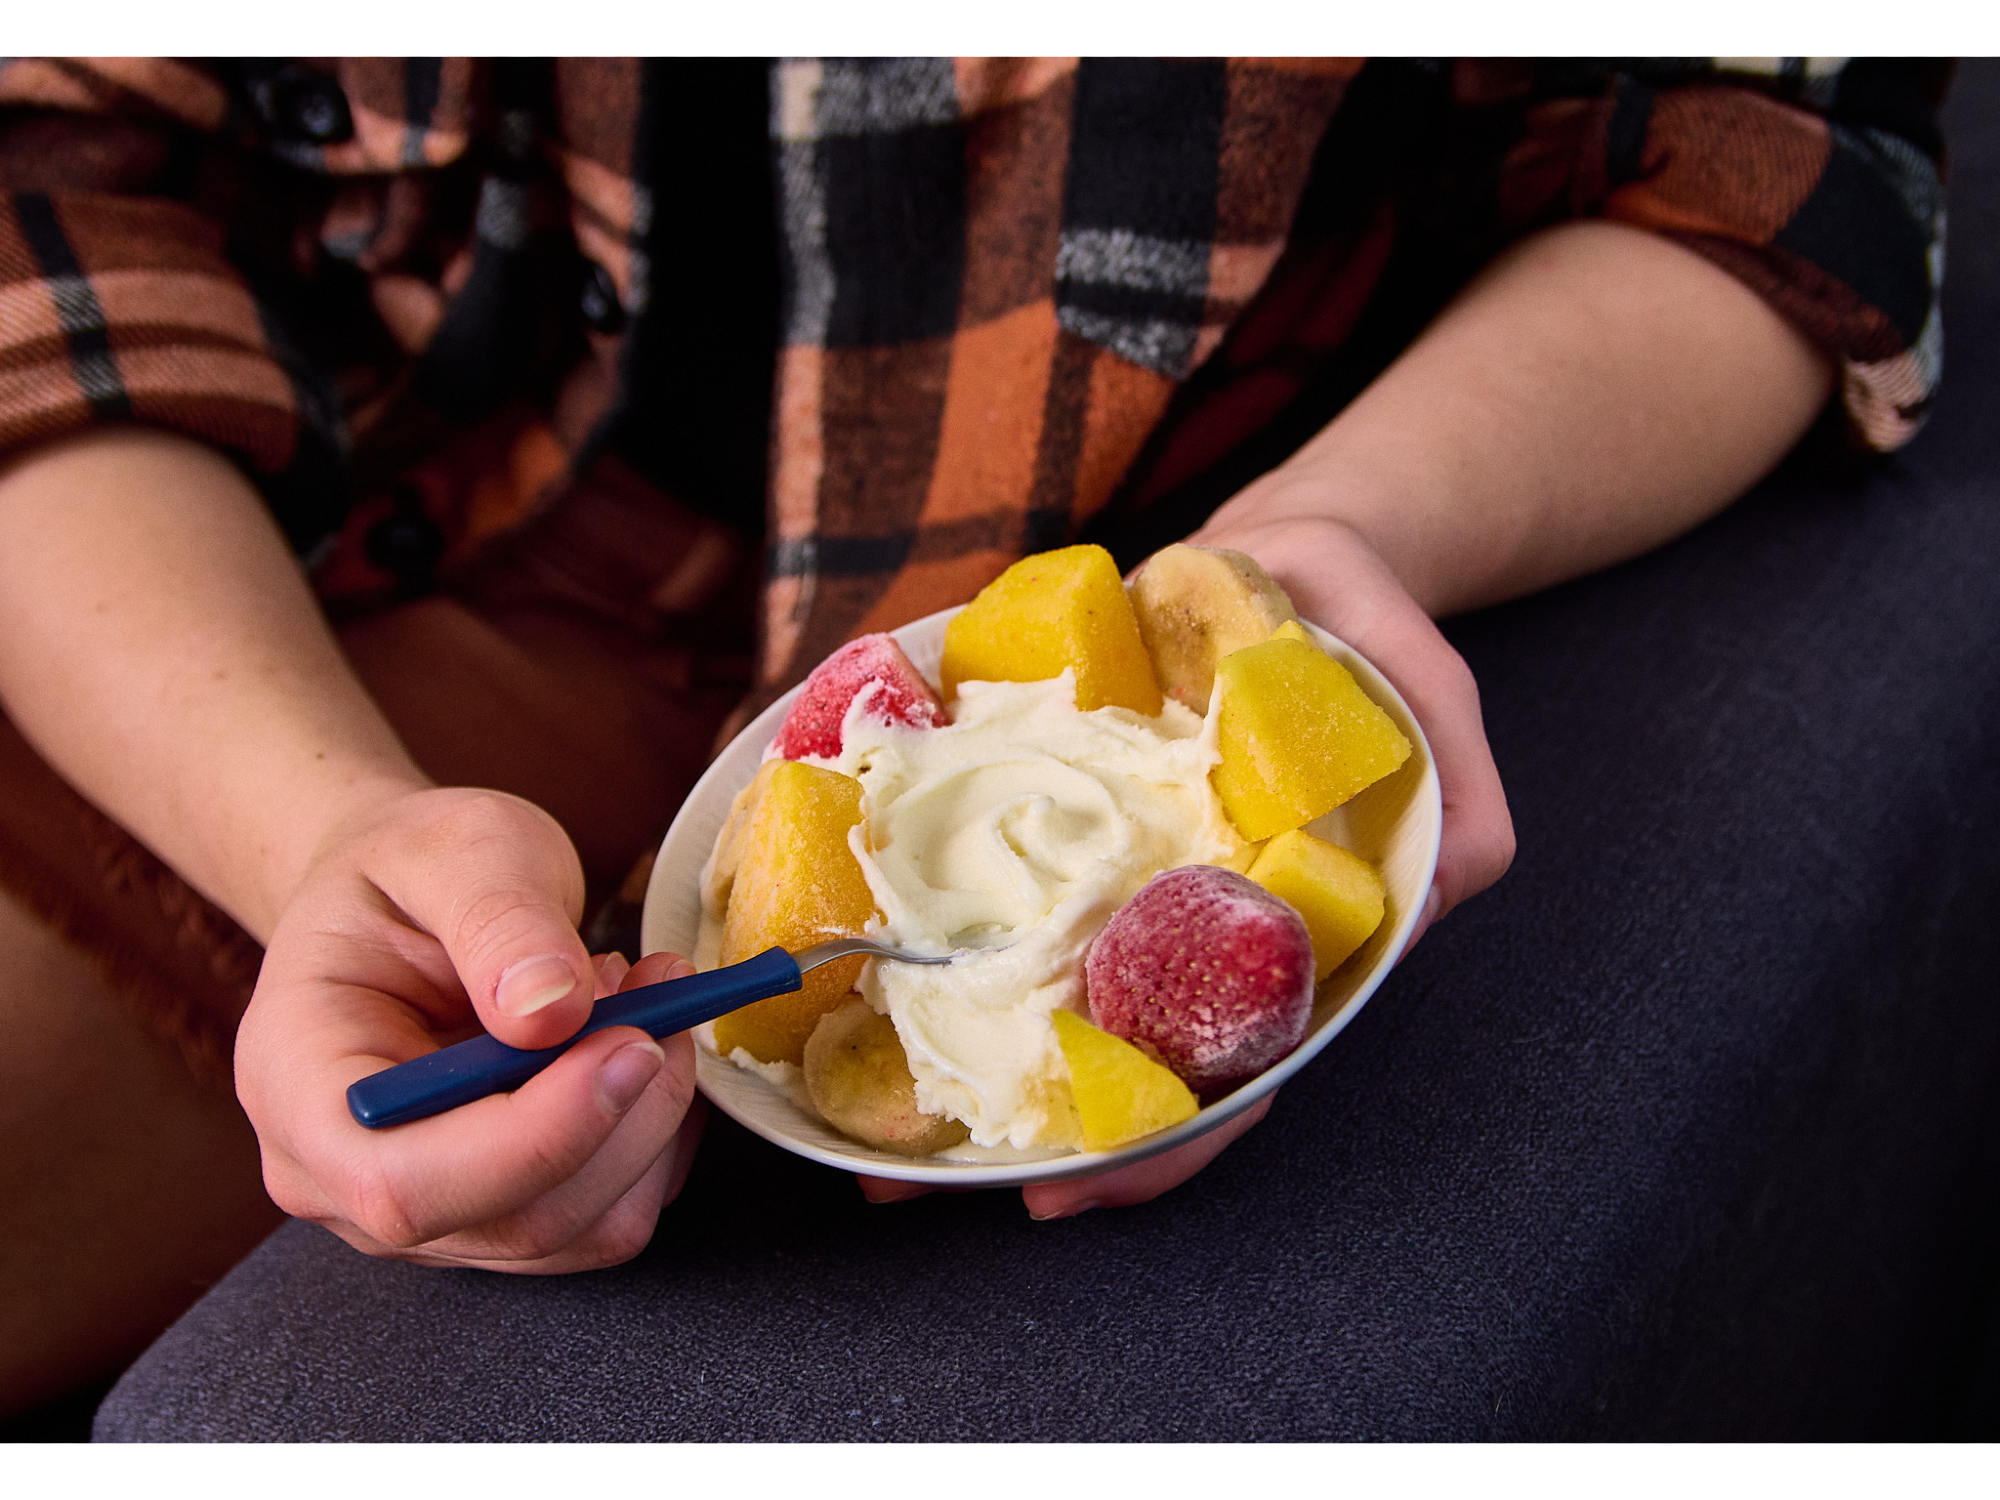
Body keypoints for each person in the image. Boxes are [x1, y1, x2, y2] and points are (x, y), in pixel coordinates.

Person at [0, 55, 1948, 1415]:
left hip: (1148, 538)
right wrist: (313, 830)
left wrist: (1340, 529)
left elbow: (1769, 170)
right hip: (322, 554)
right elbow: (39, 196)